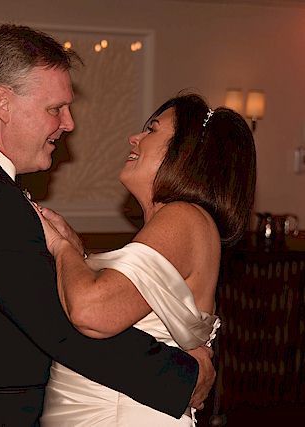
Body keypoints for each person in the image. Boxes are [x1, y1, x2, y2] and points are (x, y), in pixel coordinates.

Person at [0, 25, 215, 426]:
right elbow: (63, 327)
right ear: (2, 103)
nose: (69, 123)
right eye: (55, 108)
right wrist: (185, 376)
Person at [36, 93, 257, 426]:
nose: (134, 138)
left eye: (152, 130)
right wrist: (76, 250)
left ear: (186, 155)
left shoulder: (183, 217)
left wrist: (61, 247)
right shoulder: (178, 224)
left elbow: (91, 311)